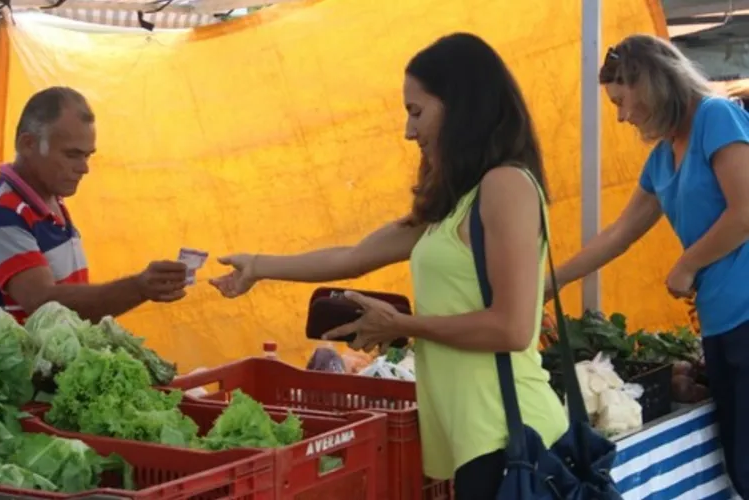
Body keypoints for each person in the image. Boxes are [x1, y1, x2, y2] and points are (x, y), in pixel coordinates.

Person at [209, 33, 568, 499]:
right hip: (480, 443)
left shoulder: (507, 186)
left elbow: (512, 328)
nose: (408, 131)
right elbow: (353, 257)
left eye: (416, 112)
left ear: (460, 108)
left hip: (512, 437)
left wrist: (402, 325)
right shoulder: (457, 204)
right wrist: (258, 266)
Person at [547, 34, 749, 496]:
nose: (621, 117)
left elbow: (745, 212)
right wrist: (552, 283)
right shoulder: (661, 159)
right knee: (742, 466)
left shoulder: (715, 117)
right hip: (720, 325)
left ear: (651, 84)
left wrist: (687, 264)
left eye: (621, 101)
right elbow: (618, 234)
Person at [0, 86, 188, 323]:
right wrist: (138, 288)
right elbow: (42, 303)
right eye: (72, 155)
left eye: (87, 155)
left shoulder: (50, 198)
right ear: (28, 144)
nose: (84, 168)